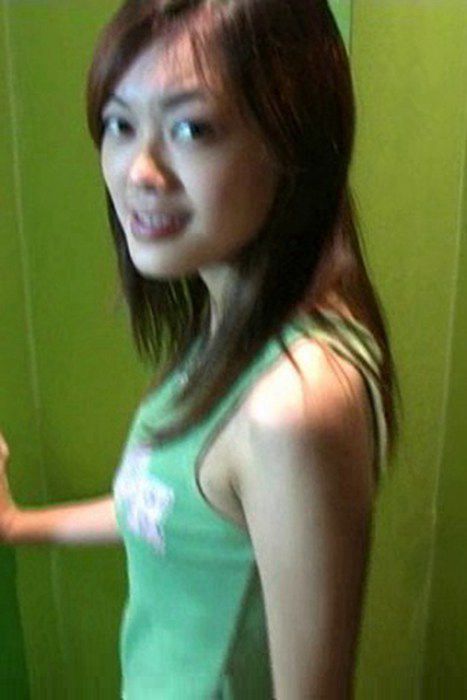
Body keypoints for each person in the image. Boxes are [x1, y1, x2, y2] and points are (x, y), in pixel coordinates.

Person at [0, 0, 401, 697]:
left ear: (293, 145)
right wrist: (18, 526)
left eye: (191, 128)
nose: (139, 171)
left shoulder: (293, 404)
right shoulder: (233, 321)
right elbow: (176, 513)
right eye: (120, 124)